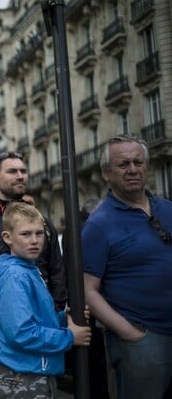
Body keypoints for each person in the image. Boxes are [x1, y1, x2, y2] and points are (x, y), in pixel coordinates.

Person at [0, 151, 66, 399]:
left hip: (40, 325)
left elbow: (57, 271)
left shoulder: (42, 222)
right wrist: (6, 238)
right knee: (0, 392)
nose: (20, 175)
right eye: (12, 171)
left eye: (23, 170)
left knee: (43, 390)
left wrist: (57, 312)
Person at [82, 135, 172, 399]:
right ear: (106, 173)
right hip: (143, 341)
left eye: (138, 162)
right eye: (123, 164)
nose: (133, 169)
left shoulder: (167, 209)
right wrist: (131, 334)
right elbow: (88, 290)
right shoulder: (98, 225)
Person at [0, 202, 91, 398]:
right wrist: (69, 337)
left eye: (39, 233)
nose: (34, 240)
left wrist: (62, 318)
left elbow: (35, 318)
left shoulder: (28, 270)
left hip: (31, 368)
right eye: (25, 234)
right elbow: (21, 333)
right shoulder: (15, 277)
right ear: (7, 237)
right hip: (21, 372)